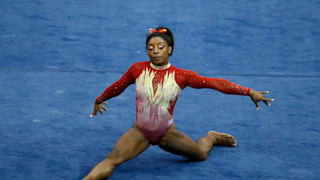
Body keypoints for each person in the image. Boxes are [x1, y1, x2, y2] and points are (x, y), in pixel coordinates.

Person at [82, 27, 274, 180]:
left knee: (200, 154)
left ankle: (212, 138)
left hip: (167, 133)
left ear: (170, 49)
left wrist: (248, 91)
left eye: (160, 47)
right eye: (150, 48)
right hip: (139, 132)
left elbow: (216, 83)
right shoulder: (137, 69)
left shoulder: (182, 76)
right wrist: (99, 99)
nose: (155, 51)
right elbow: (118, 86)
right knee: (111, 160)